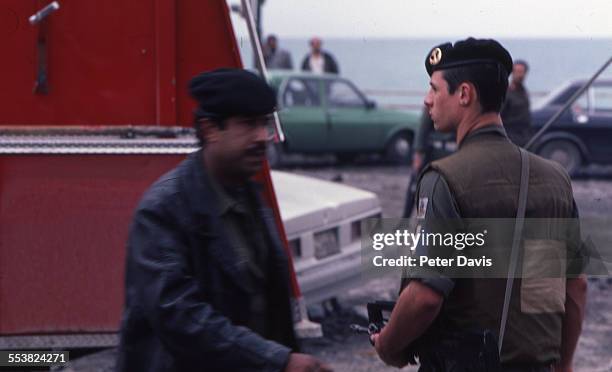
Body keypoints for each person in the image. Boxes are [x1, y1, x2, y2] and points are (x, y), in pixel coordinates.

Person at [372, 38, 587, 371]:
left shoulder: (444, 178)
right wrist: (566, 365)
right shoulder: (556, 178)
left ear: (464, 94)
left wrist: (388, 345)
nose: (427, 100)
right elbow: (574, 287)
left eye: (434, 89)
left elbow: (426, 296)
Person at [116, 68, 332, 372]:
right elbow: (179, 315)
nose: (263, 137)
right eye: (248, 124)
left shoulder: (246, 192)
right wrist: (279, 361)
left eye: (265, 123)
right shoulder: (164, 209)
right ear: (209, 130)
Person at [402, 107, 454, 218]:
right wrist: (418, 152)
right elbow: (423, 126)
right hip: (432, 153)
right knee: (420, 189)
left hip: (453, 154)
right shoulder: (436, 95)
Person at [501, 60, 531, 146]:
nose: (519, 75)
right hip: (510, 136)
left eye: (521, 72)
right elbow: (499, 116)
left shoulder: (523, 91)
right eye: (517, 72)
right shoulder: (506, 93)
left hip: (525, 135)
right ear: (512, 73)